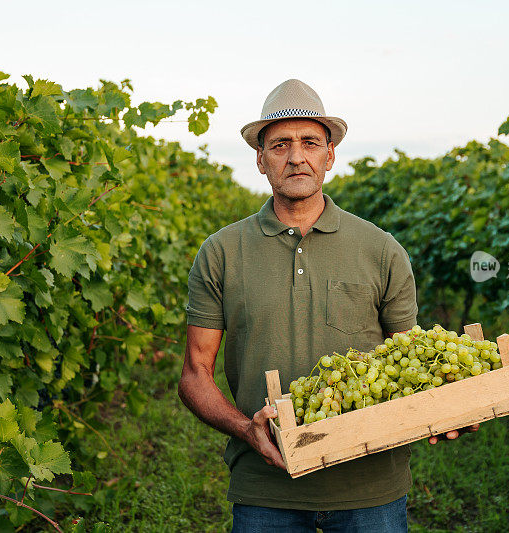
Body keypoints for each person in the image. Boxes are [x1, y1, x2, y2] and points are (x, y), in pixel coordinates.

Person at [178, 79, 477, 533]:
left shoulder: (381, 250)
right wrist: (246, 430)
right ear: (260, 159)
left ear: (330, 155)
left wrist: (449, 406)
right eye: (279, 144)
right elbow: (194, 375)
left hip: (370, 491)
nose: (296, 156)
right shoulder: (220, 252)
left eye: (310, 142)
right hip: (266, 491)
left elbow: (410, 364)